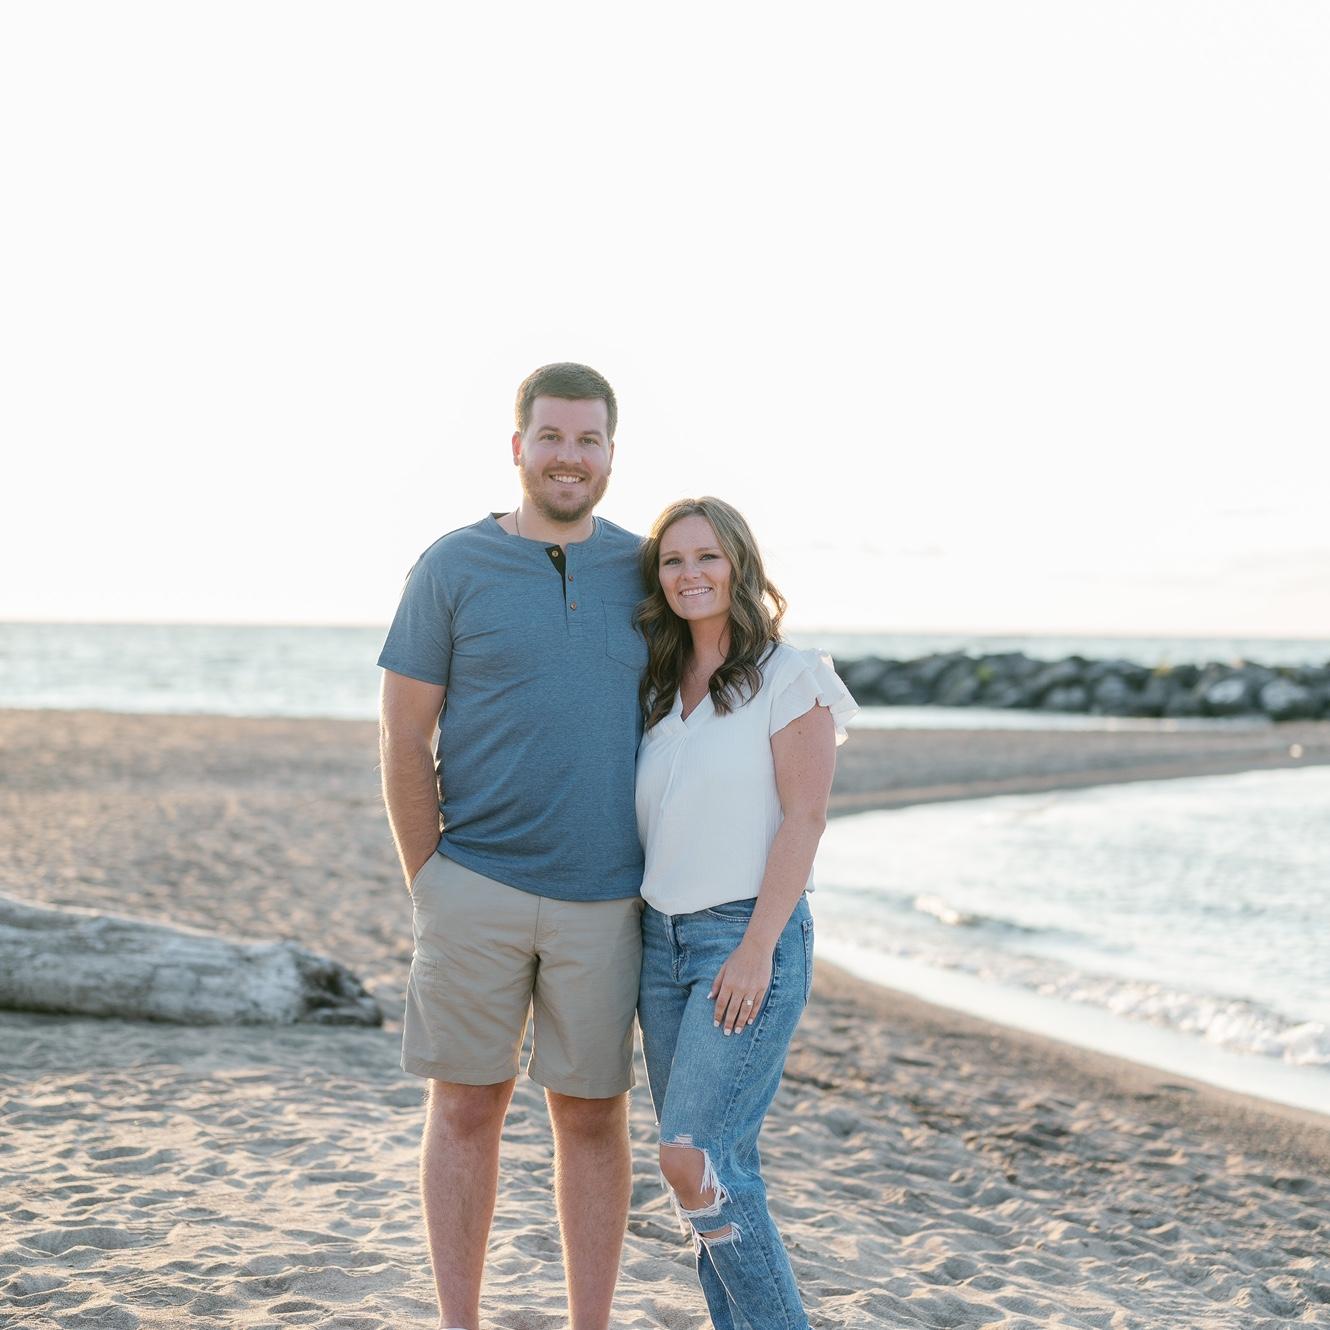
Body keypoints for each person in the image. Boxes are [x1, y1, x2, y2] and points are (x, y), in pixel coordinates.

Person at [377, 363, 646, 1330]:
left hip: (608, 897)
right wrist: (430, 879)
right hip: (475, 885)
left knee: (593, 1116)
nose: (570, 456)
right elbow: (403, 733)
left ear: (610, 453)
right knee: (465, 1108)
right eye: (553, 436)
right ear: (519, 445)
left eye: (588, 440)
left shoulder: (647, 569)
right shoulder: (452, 565)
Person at [634, 496, 857, 1330]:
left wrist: (758, 947)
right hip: (660, 944)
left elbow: (805, 818)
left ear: (739, 565)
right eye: (672, 560)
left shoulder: (789, 676)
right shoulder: (658, 684)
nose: (689, 574)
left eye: (707, 557)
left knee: (691, 1159)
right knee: (714, 1171)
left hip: (745, 936)